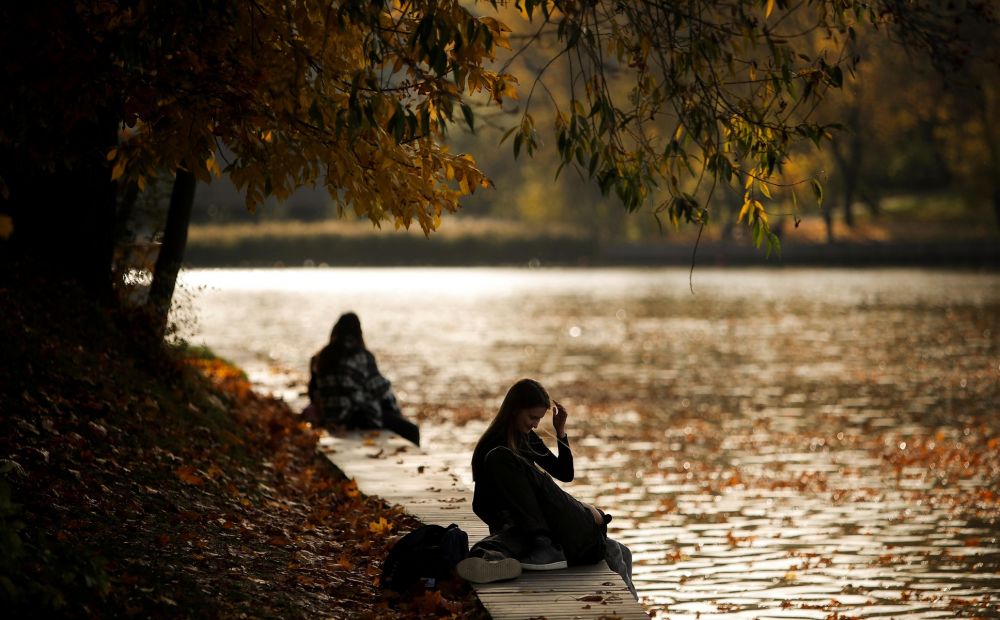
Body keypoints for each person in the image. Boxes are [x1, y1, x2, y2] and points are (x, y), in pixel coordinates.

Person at [456, 379, 635, 598]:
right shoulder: (494, 450)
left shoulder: (526, 439)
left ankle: (495, 559)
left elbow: (565, 473)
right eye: (532, 417)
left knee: (621, 551)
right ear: (514, 410)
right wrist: (504, 519)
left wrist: (560, 433)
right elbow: (481, 503)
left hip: (539, 522)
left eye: (539, 419)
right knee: (613, 549)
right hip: (529, 525)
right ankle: (504, 556)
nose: (535, 425)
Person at [303, 312, 420, 446]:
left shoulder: (321, 357)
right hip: (355, 419)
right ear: (359, 332)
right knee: (412, 430)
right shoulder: (361, 355)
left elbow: (313, 393)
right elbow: (380, 389)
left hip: (330, 418)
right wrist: (396, 412)